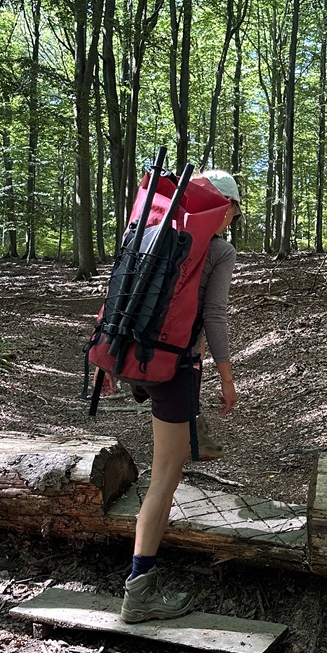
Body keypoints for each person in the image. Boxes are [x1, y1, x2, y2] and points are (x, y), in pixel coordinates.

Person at [120, 169, 241, 624]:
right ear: (223, 208)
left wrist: (105, 359)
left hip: (134, 357)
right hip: (174, 368)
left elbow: (121, 287)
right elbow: (214, 316)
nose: (233, 217)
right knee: (163, 480)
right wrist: (228, 379)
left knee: (172, 450)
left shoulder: (152, 231)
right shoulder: (218, 248)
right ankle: (140, 591)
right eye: (234, 208)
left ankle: (194, 429)